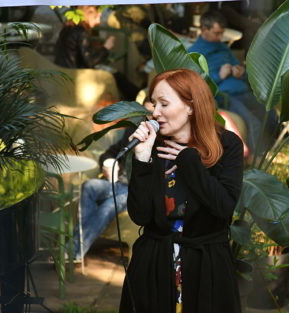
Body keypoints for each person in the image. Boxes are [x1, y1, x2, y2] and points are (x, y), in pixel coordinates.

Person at [119, 69, 243, 313]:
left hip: (206, 267)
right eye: (154, 104)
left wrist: (189, 161)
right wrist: (142, 161)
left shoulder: (227, 145)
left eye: (164, 104)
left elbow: (223, 206)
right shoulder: (153, 146)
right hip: (154, 266)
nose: (155, 113)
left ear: (191, 106)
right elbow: (141, 216)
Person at [74, 99, 154, 260]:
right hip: (116, 182)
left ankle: (74, 250)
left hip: (133, 189)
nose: (148, 119)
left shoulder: (158, 139)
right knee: (89, 186)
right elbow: (111, 152)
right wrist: (108, 163)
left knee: (109, 206)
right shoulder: (133, 130)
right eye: (145, 115)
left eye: (151, 115)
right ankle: (77, 247)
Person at [188, 10, 277, 154]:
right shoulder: (194, 52)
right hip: (224, 97)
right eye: (216, 33)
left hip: (243, 91)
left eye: (221, 33)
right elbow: (197, 85)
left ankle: (275, 150)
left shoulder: (224, 48)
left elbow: (242, 70)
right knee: (252, 122)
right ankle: (258, 159)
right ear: (204, 29)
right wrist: (219, 76)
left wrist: (241, 72)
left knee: (270, 113)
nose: (220, 37)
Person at [55, 5, 140, 101]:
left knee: (114, 72)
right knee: (115, 74)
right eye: (97, 17)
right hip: (75, 74)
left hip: (64, 71)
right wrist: (106, 47)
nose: (99, 21)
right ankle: (137, 98)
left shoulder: (68, 27)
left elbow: (81, 54)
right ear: (89, 13)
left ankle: (135, 96)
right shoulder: (81, 31)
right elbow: (91, 61)